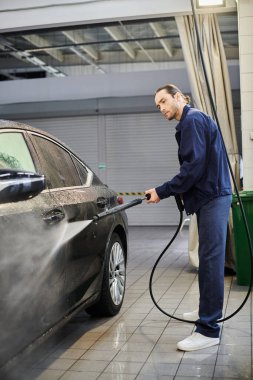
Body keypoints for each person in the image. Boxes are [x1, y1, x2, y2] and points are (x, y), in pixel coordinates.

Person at [145, 84, 232, 352]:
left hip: (212, 198)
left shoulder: (192, 120)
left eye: (163, 101)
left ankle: (208, 329)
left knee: (210, 260)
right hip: (210, 197)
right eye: (157, 105)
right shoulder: (192, 121)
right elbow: (197, 166)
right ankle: (206, 312)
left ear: (179, 97)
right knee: (207, 260)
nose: (161, 107)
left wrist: (163, 190)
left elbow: (193, 167)